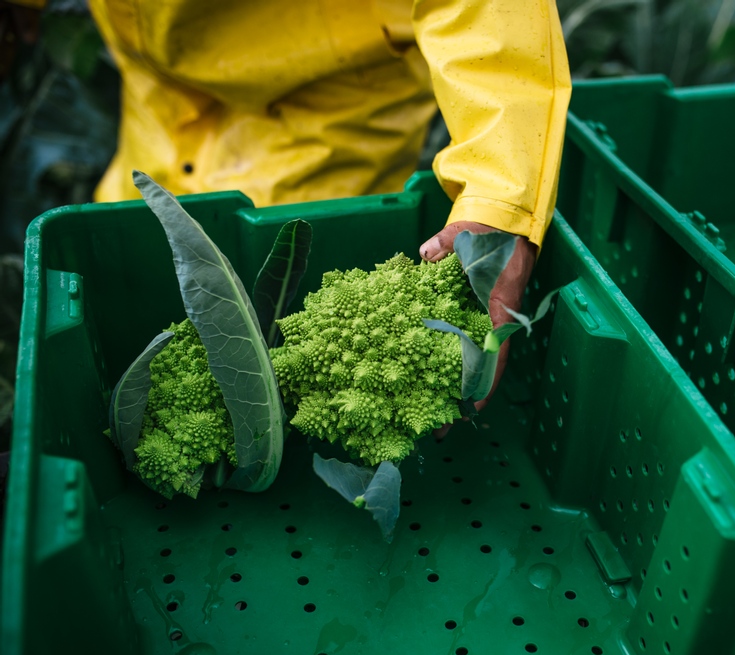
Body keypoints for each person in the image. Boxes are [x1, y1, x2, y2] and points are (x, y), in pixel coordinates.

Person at [85, 0, 572, 419]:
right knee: (134, 280)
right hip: (155, 88)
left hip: (330, 95)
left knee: (288, 305)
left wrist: (500, 200)